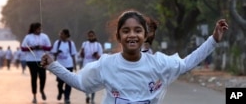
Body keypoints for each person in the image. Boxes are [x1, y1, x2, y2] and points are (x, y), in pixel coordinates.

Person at [41, 10, 228, 104]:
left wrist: (213, 40)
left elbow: (188, 63)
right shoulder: (106, 64)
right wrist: (53, 65)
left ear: (145, 36)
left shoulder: (159, 63)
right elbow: (80, 83)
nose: (132, 35)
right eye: (126, 31)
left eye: (137, 30)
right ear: (119, 37)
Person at [21, 22, 52, 104]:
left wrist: (42, 47)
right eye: (38, 29)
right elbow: (23, 48)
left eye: (40, 28)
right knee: (34, 78)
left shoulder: (44, 36)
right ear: (34, 29)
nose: (39, 30)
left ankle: (42, 90)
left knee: (43, 76)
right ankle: (34, 96)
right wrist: (32, 47)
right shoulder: (28, 37)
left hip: (42, 59)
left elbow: (49, 47)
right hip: (31, 60)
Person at [50, 29, 77, 104]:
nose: (60, 35)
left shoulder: (71, 43)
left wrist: (74, 65)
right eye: (60, 34)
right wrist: (57, 52)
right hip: (59, 65)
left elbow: (73, 55)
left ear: (66, 35)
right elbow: (53, 54)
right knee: (60, 82)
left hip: (69, 65)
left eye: (61, 34)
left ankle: (67, 97)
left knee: (68, 82)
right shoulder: (57, 43)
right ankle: (60, 91)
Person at [79, 30, 103, 104]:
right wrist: (82, 52)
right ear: (87, 36)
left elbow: (101, 57)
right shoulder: (84, 44)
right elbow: (82, 56)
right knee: (86, 82)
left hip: (94, 66)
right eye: (89, 36)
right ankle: (87, 96)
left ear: (94, 36)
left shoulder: (98, 45)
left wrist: (96, 55)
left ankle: (92, 98)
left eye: (92, 36)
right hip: (86, 65)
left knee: (93, 83)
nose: (91, 37)